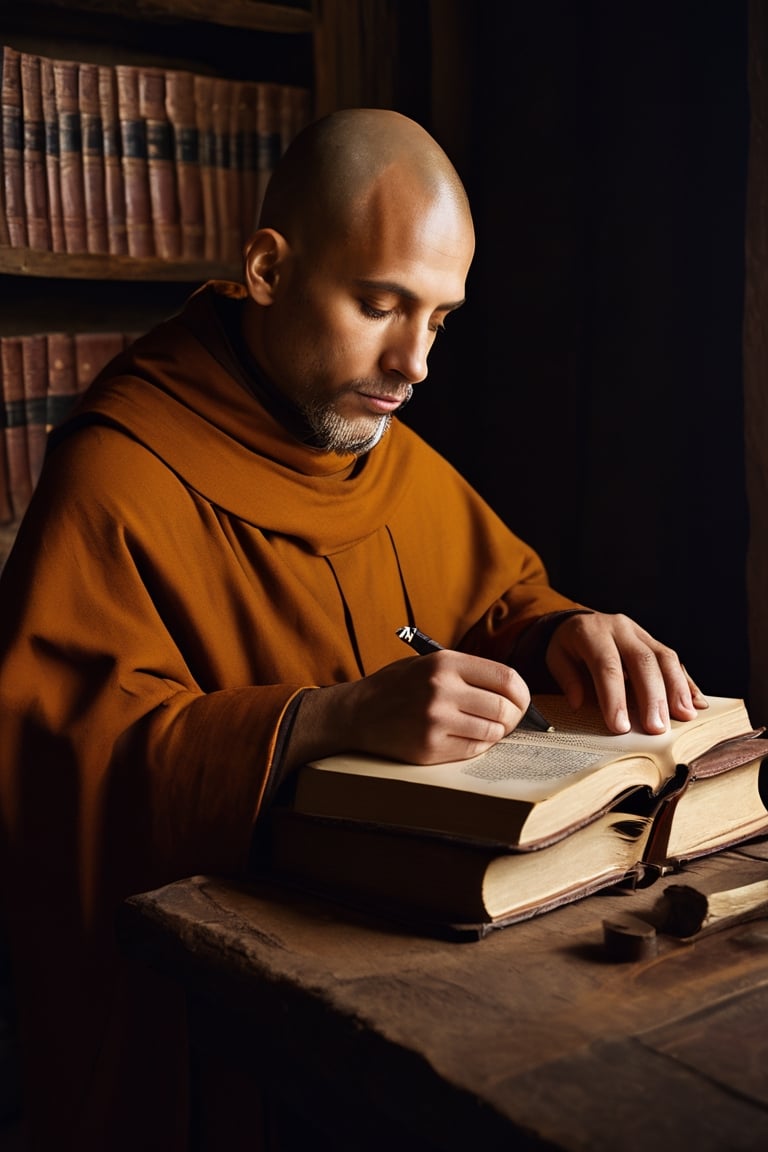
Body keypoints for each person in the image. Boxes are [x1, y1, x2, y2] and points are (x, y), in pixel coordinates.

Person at [0, 108, 706, 1150]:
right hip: (213, 1015)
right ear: (269, 269)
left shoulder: (372, 436)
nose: (414, 362)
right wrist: (322, 722)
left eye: (440, 319)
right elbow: (56, 769)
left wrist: (565, 631)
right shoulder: (117, 473)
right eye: (380, 305)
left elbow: (497, 594)